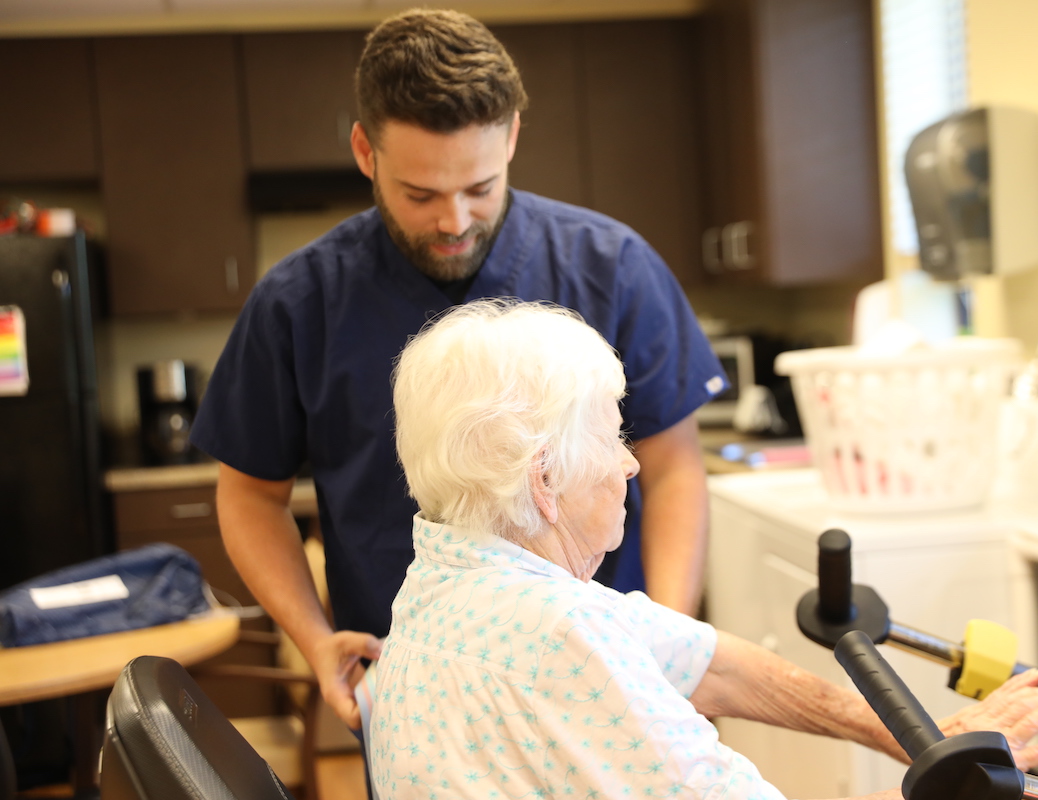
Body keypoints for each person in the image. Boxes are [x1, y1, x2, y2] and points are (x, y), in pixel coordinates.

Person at [189, 7, 725, 731]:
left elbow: (672, 469)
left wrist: (663, 641)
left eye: (479, 188)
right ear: (364, 151)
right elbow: (251, 499)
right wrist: (316, 646)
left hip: (602, 680)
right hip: (413, 695)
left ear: (509, 138)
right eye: (420, 195)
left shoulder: (612, 268)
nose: (453, 221)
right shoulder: (298, 304)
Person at [368, 298, 1038, 800]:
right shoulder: (560, 633)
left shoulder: (442, 577)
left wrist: (923, 738)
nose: (630, 465)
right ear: (545, 478)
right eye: (612, 437)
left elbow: (714, 666)